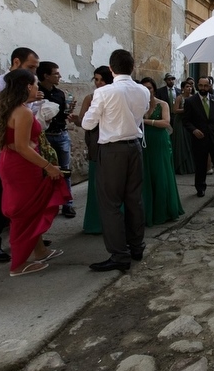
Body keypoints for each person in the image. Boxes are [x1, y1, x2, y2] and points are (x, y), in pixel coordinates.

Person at [0, 69, 70, 276]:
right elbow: (23, 146)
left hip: (14, 161)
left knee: (31, 208)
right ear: (27, 87)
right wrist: (49, 166)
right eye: (34, 84)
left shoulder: (10, 108)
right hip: (22, 165)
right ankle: (18, 263)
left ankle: (40, 250)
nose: (37, 88)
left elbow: (13, 143)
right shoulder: (22, 112)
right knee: (24, 210)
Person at [81, 49, 150, 272]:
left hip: (113, 150)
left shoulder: (105, 92)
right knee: (134, 199)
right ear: (132, 67)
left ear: (111, 69)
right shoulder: (142, 91)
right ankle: (136, 245)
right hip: (134, 147)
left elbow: (87, 124)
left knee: (110, 203)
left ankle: (119, 254)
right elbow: (142, 113)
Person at [0, 47, 40, 263]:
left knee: (26, 197)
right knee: (2, 195)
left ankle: (30, 238)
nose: (34, 73)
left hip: (24, 144)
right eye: (30, 67)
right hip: (8, 147)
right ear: (16, 62)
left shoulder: (26, 90)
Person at [72, 66, 113, 234]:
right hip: (95, 141)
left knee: (112, 183)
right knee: (97, 182)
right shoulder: (90, 98)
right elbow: (83, 122)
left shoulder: (114, 96)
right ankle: (96, 222)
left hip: (112, 141)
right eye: (96, 80)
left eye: (101, 80)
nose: (98, 83)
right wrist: (76, 119)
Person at [139, 78, 184, 225]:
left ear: (154, 89)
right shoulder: (138, 105)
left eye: (150, 88)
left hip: (160, 142)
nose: (147, 91)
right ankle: (147, 212)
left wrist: (145, 121)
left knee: (161, 174)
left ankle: (163, 211)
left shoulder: (162, 104)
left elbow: (166, 122)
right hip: (144, 143)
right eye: (144, 88)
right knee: (146, 175)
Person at [36, 61, 76, 218]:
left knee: (65, 169)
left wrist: (68, 111)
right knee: (45, 171)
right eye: (56, 73)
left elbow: (62, 115)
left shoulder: (59, 93)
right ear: (46, 75)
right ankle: (47, 204)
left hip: (61, 135)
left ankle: (68, 204)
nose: (59, 76)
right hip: (45, 137)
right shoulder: (36, 92)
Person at [172, 80, 195, 175]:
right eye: (187, 87)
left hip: (190, 121)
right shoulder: (179, 98)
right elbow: (175, 110)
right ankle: (180, 166)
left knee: (190, 142)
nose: (189, 88)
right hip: (180, 122)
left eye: (190, 87)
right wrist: (186, 110)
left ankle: (190, 166)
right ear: (182, 88)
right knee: (181, 143)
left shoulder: (193, 98)